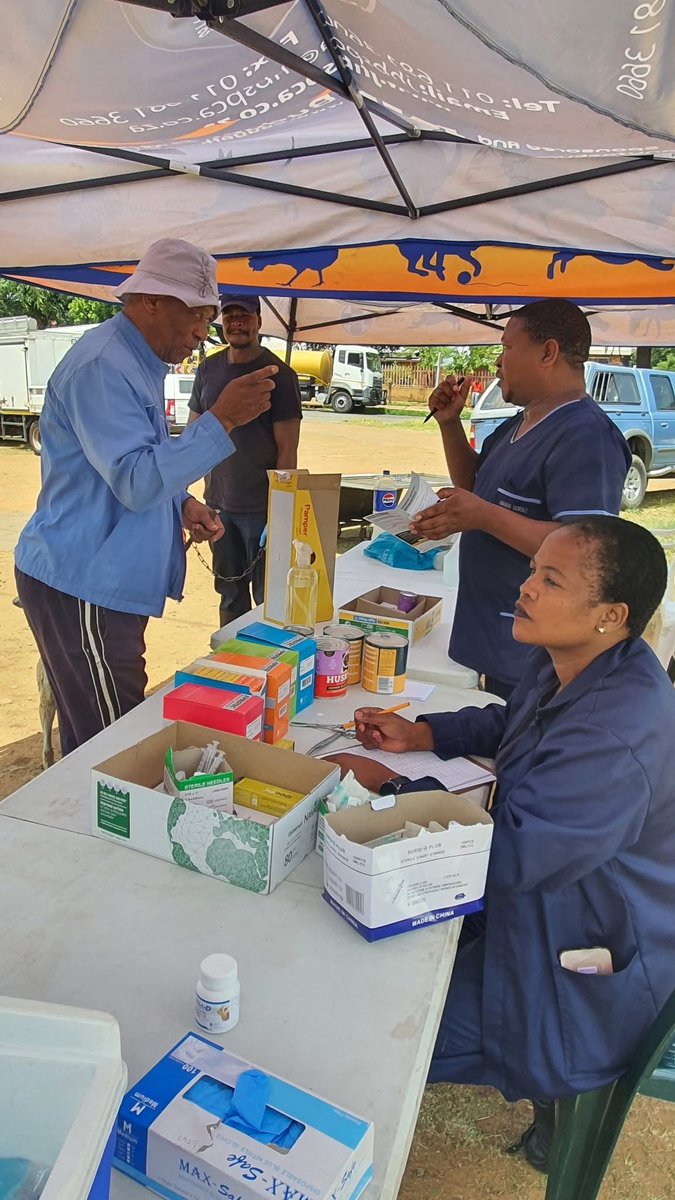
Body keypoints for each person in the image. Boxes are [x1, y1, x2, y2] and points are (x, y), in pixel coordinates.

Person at [341, 517, 675, 1172]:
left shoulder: (616, 733)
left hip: (571, 960)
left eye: (549, 580)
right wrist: (424, 732)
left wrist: (397, 789)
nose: (524, 589)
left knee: (378, 1035)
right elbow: (514, 716)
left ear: (610, 614)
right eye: (532, 572)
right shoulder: (583, 662)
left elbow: (510, 861)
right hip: (541, 910)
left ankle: (556, 1093)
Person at [15, 238, 278, 756]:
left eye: (210, 318)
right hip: (84, 584)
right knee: (114, 748)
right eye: (198, 316)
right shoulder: (104, 366)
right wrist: (221, 419)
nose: (204, 333)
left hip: (102, 581)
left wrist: (180, 501)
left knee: (96, 734)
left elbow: (136, 460)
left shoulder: (135, 363)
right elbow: (135, 481)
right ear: (151, 301)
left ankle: (86, 824)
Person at [411, 300, 632, 700]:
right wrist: (450, 425)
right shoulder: (520, 423)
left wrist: (483, 517)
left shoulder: (587, 438)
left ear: (548, 352)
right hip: (487, 635)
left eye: (507, 348)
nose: (498, 363)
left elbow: (582, 548)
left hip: (529, 655)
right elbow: (478, 489)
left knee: (510, 752)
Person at [187, 295, 302, 627]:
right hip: (218, 504)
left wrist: (280, 509)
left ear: (259, 321)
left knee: (269, 599)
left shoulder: (279, 374)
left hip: (261, 509)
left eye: (245, 316)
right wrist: (181, 494)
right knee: (229, 593)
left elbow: (287, 449)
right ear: (221, 322)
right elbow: (194, 434)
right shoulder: (208, 368)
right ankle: (233, 665)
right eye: (230, 316)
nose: (237, 322)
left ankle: (270, 669)